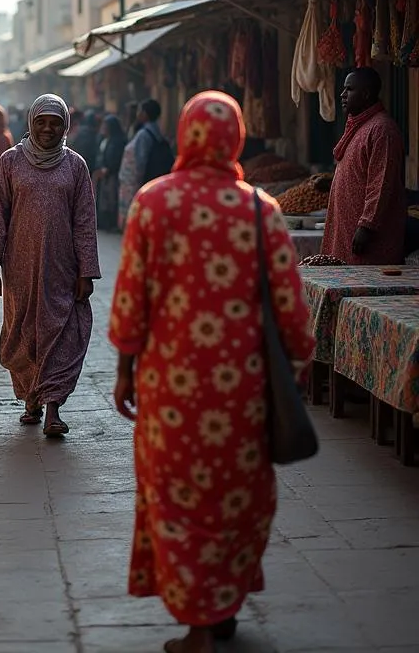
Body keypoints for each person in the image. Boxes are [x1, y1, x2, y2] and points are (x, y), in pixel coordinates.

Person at [109, 91, 314, 653]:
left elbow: (130, 300)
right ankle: (219, 604)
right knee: (237, 495)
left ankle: (199, 623)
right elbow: (291, 307)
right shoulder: (259, 209)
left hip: (167, 385)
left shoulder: (152, 203)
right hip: (242, 389)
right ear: (236, 137)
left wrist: (125, 370)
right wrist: (300, 359)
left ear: (185, 134)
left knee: (175, 496)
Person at [0, 95, 100, 438]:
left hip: (62, 268)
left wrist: (86, 271)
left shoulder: (75, 166)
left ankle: (53, 407)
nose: (47, 129)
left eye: (55, 122)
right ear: (30, 123)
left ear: (65, 126)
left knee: (59, 332)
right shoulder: (10, 162)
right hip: (20, 267)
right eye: (41, 121)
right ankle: (32, 398)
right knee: (24, 330)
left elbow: (85, 221)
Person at [322, 67, 406, 265]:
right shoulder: (361, 126)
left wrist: (367, 226)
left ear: (366, 94)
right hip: (346, 231)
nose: (342, 95)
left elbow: (381, 183)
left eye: (349, 89)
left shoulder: (382, 130)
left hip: (368, 239)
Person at [118, 98, 175, 229]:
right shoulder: (157, 131)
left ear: (145, 114)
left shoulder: (144, 134)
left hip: (143, 181)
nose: (138, 114)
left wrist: (137, 185)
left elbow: (139, 161)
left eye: (140, 111)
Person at [94, 115, 126, 230]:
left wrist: (109, 168)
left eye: (105, 126)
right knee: (104, 198)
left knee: (112, 198)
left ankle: (112, 223)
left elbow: (118, 158)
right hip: (104, 173)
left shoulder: (118, 141)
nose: (103, 128)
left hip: (113, 175)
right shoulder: (103, 140)